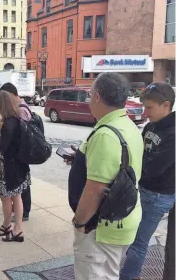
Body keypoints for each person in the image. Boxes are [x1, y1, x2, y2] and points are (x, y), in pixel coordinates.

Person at [65, 73, 143, 280]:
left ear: (98, 97)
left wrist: (80, 222)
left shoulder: (106, 134)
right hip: (122, 218)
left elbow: (96, 189)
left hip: (101, 226)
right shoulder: (127, 125)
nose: (89, 100)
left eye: (90, 95)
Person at [120, 82, 175, 280]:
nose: (145, 112)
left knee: (139, 242)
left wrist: (129, 170)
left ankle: (130, 276)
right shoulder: (152, 125)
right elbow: (139, 151)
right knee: (131, 238)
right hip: (143, 188)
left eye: (150, 107)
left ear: (166, 105)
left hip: (158, 194)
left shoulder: (173, 133)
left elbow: (154, 168)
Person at [0, 90, 30, 242]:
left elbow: (4, 146)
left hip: (10, 167)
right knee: (16, 196)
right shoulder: (16, 118)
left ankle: (16, 229)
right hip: (18, 165)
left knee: (7, 197)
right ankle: (12, 227)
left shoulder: (9, 122)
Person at [0, 82, 32, 222]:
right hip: (17, 154)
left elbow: (17, 134)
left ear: (12, 95)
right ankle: (20, 213)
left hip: (19, 154)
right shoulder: (15, 109)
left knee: (21, 187)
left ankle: (24, 213)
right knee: (20, 187)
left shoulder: (21, 110)